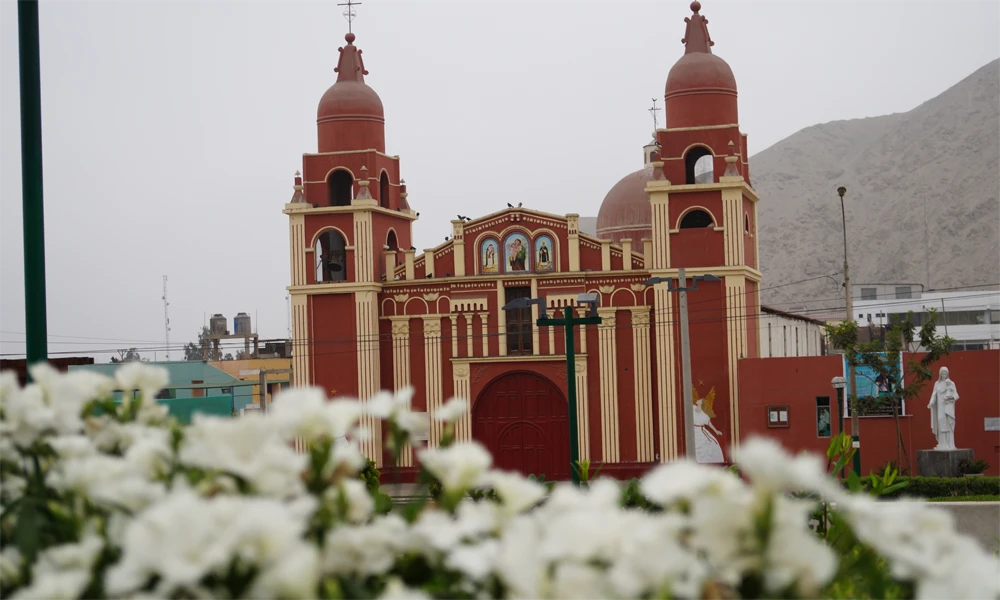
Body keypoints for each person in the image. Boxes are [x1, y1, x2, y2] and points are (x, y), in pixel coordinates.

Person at [928, 366, 959, 450]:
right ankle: (942, 443)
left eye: (945, 373)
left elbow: (956, 395)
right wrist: (931, 402)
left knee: (948, 423)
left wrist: (950, 397)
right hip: (940, 407)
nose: (944, 375)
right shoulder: (937, 384)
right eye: (942, 373)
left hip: (948, 407)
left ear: (947, 374)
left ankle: (950, 444)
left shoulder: (951, 383)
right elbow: (934, 394)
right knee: (941, 422)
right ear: (940, 374)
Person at [693, 387, 724, 463]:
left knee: (707, 445)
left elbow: (709, 424)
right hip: (693, 431)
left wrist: (716, 431)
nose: (698, 400)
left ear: (701, 403)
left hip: (701, 431)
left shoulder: (704, 415)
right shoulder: (693, 408)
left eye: (700, 400)